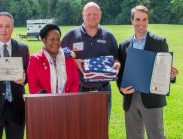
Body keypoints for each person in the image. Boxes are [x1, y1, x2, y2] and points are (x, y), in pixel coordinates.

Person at [117, 5, 179, 139]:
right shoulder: (124, 45)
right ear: (132, 20)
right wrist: (121, 88)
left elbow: (165, 68)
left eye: (144, 19)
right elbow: (120, 73)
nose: (141, 23)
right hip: (131, 97)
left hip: (152, 97)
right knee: (133, 136)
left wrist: (171, 75)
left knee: (156, 135)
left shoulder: (159, 42)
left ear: (148, 21)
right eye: (138, 19)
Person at [61, 2, 120, 118]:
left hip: (103, 90)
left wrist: (117, 64)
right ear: (83, 15)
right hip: (78, 89)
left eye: (95, 14)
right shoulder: (71, 35)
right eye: (88, 14)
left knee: (101, 128)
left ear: (100, 15)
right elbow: (58, 57)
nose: (92, 17)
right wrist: (73, 62)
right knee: (78, 127)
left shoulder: (109, 36)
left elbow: (116, 58)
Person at [27, 24, 79, 94]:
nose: (56, 42)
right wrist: (50, 101)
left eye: (58, 39)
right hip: (44, 103)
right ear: (44, 40)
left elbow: (75, 83)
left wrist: (68, 99)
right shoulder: (35, 60)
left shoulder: (69, 58)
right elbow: (33, 87)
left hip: (68, 102)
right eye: (52, 39)